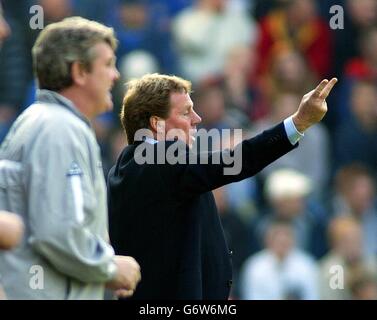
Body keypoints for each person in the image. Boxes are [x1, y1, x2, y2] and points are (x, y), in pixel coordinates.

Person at [108, 73, 337, 299]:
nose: (197, 118)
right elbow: (237, 160)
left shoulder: (127, 165)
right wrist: (298, 123)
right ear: (156, 124)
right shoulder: (158, 160)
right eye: (186, 112)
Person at [0, 17, 141, 300]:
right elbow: (58, 231)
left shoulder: (43, 121)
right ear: (79, 71)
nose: (115, 76)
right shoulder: (59, 129)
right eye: (108, 64)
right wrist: (110, 267)